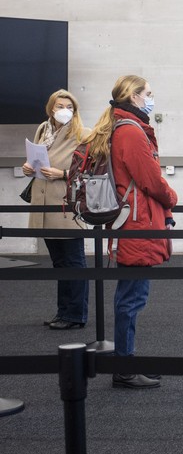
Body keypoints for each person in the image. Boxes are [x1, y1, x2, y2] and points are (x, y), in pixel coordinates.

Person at [83, 75, 178, 389]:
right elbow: (150, 179)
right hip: (137, 226)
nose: (152, 99)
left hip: (129, 223)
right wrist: (172, 197)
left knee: (130, 296)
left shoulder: (119, 126)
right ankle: (124, 367)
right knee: (131, 298)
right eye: (149, 93)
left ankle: (126, 361)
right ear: (135, 96)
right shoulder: (131, 132)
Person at [22, 90, 91, 330]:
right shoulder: (44, 129)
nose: (64, 110)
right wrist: (28, 168)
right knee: (60, 263)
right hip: (44, 204)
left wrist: (62, 174)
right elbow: (36, 159)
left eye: (69, 107)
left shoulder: (83, 134)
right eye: (60, 106)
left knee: (73, 262)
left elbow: (92, 173)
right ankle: (64, 312)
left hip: (66, 206)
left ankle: (75, 315)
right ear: (51, 108)